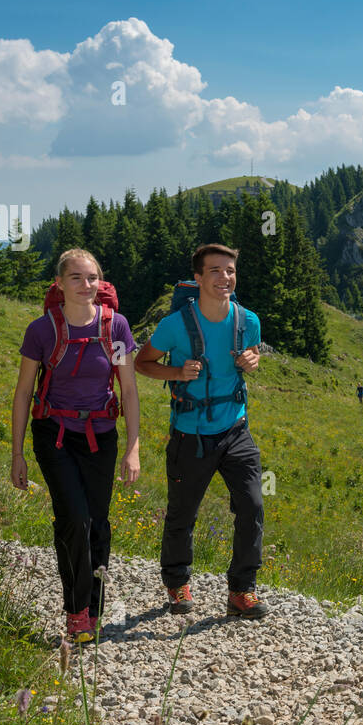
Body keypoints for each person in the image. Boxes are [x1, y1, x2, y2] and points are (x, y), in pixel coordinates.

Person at [11, 248, 139, 643]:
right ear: (60, 284)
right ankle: (76, 612)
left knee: (98, 522)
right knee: (74, 519)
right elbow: (23, 393)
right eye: (77, 278)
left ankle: (93, 608)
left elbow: (130, 391)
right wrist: (16, 454)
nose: (87, 286)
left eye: (93, 278)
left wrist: (134, 446)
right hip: (55, 435)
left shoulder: (115, 327)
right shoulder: (42, 330)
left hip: (101, 434)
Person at [134, 243, 267, 619]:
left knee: (252, 505)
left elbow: (252, 355)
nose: (224, 277)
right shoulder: (175, 325)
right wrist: (176, 372)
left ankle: (242, 590)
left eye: (229, 270)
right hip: (189, 434)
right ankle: (177, 582)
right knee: (182, 512)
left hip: (235, 429)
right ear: (198, 278)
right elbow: (142, 363)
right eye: (215, 271)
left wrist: (253, 360)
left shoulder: (248, 320)